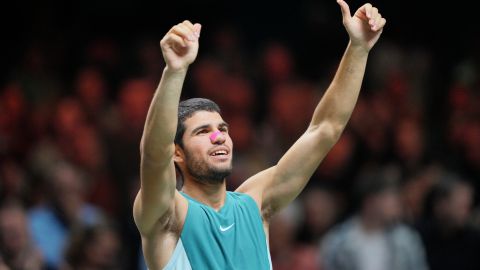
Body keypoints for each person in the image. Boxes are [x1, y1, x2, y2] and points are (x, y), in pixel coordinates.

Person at [133, 0, 386, 269]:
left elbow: (325, 129)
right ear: (177, 152)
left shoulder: (255, 202)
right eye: (202, 131)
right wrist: (174, 72)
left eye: (222, 129)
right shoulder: (168, 215)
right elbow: (153, 154)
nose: (219, 137)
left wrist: (358, 49)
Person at [318, 168, 429, 270]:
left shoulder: (406, 240)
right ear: (370, 201)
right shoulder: (337, 241)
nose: (397, 204)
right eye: (390, 198)